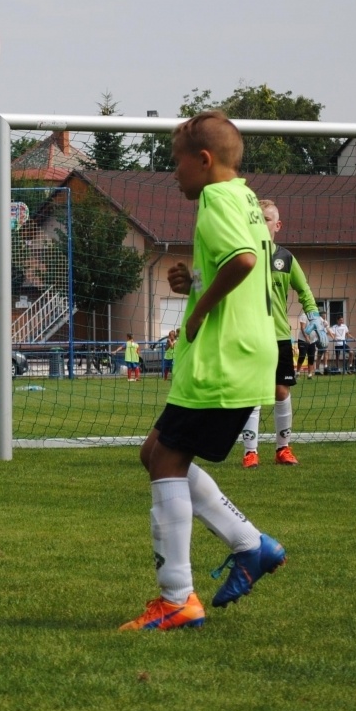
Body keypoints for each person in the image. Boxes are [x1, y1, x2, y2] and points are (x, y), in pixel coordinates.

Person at [120, 109, 285, 632]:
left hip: (224, 356)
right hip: (239, 352)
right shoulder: (244, 198)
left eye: (178, 162)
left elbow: (243, 261)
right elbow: (233, 263)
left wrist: (198, 311)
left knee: (167, 460)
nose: (174, 173)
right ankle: (251, 545)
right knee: (154, 453)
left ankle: (177, 598)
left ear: (205, 160)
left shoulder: (215, 198)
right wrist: (192, 281)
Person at [239, 198, 319, 468]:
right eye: (257, 219)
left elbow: (304, 290)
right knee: (252, 394)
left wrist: (314, 316)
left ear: (278, 225)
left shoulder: (286, 258)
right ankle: (250, 452)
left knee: (281, 391)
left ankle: (283, 449)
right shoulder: (243, 257)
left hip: (280, 337)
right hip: (250, 336)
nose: (261, 224)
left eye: (267, 219)